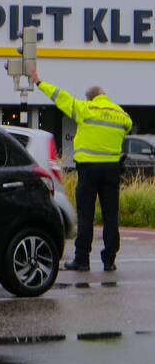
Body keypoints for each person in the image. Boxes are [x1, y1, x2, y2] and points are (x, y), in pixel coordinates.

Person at [30, 66, 132, 272]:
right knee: (111, 216)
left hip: (89, 170)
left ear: (90, 98)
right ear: (103, 96)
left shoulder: (85, 109)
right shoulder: (120, 114)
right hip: (112, 170)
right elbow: (128, 126)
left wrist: (39, 82)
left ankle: (82, 260)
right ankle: (109, 260)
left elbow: (60, 96)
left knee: (86, 215)